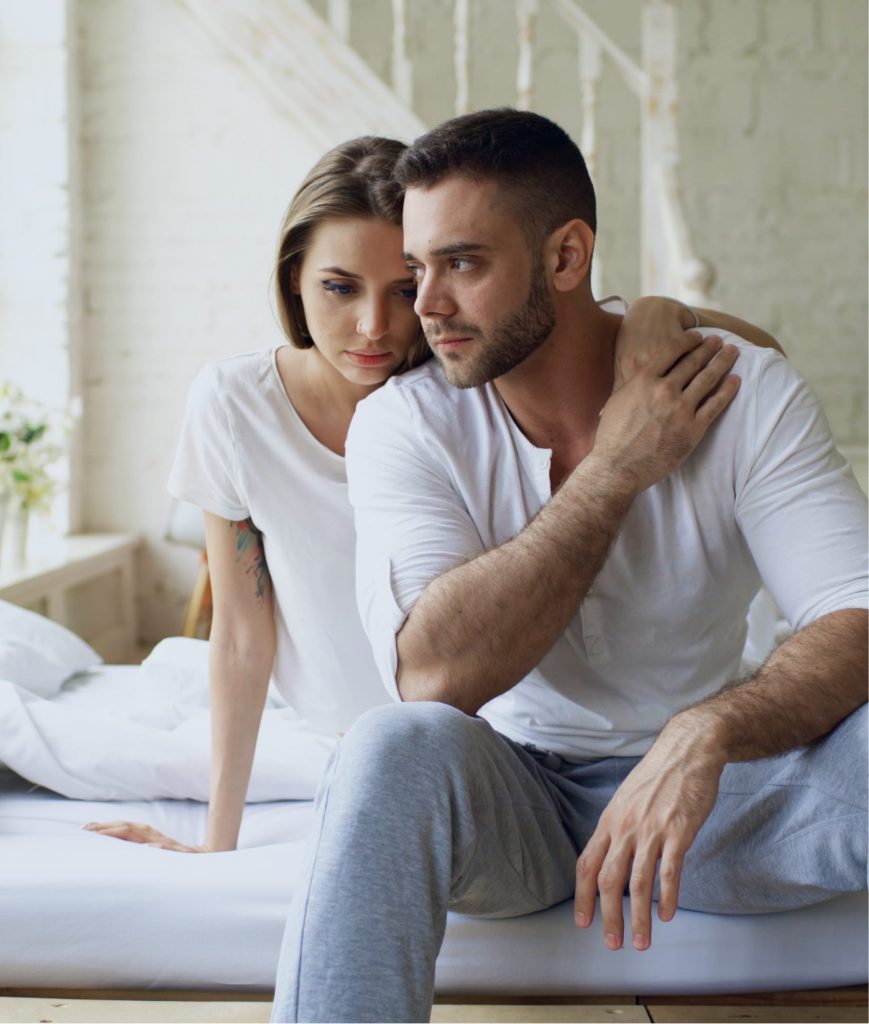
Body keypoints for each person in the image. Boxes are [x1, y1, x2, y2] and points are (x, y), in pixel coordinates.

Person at [269, 110, 868, 1024]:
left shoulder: (733, 388)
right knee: (388, 746)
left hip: (718, 802)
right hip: (521, 803)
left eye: (460, 264)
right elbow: (432, 675)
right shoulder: (406, 422)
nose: (425, 305)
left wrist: (703, 734)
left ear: (565, 257)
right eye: (418, 266)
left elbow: (855, 611)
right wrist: (618, 469)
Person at [83, 136, 779, 855]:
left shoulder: (470, 389)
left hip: (486, 735)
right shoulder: (234, 406)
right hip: (348, 731)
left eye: (404, 288)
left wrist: (664, 313)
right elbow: (238, 635)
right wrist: (217, 843)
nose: (374, 327)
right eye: (338, 286)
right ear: (294, 278)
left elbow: (759, 359)